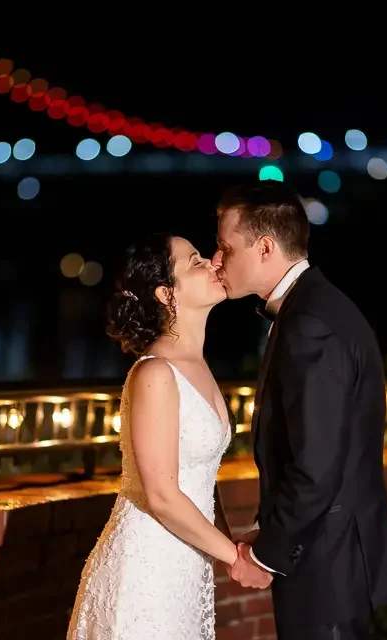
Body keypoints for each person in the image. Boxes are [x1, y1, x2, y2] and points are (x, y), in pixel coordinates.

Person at [212, 183, 387, 639]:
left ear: (264, 247)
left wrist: (266, 556)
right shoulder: (314, 308)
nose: (217, 260)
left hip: (329, 570)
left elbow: (316, 466)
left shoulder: (310, 323)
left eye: (225, 247)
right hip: (333, 559)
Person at [67, 233, 270, 640]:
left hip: (184, 569)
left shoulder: (198, 365)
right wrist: (236, 558)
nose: (214, 262)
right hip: (145, 571)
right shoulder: (155, 373)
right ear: (165, 293)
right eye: (195, 262)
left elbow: (199, 479)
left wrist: (231, 539)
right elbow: (161, 493)